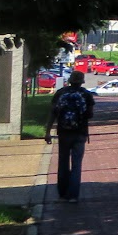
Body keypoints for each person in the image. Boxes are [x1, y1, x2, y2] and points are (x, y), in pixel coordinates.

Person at [44, 70, 96, 202]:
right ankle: (73, 195)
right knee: (77, 164)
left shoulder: (61, 93)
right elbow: (90, 114)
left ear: (70, 81)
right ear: (82, 82)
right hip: (80, 133)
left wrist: (48, 132)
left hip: (63, 133)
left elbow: (53, 112)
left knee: (63, 163)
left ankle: (62, 193)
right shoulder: (86, 94)